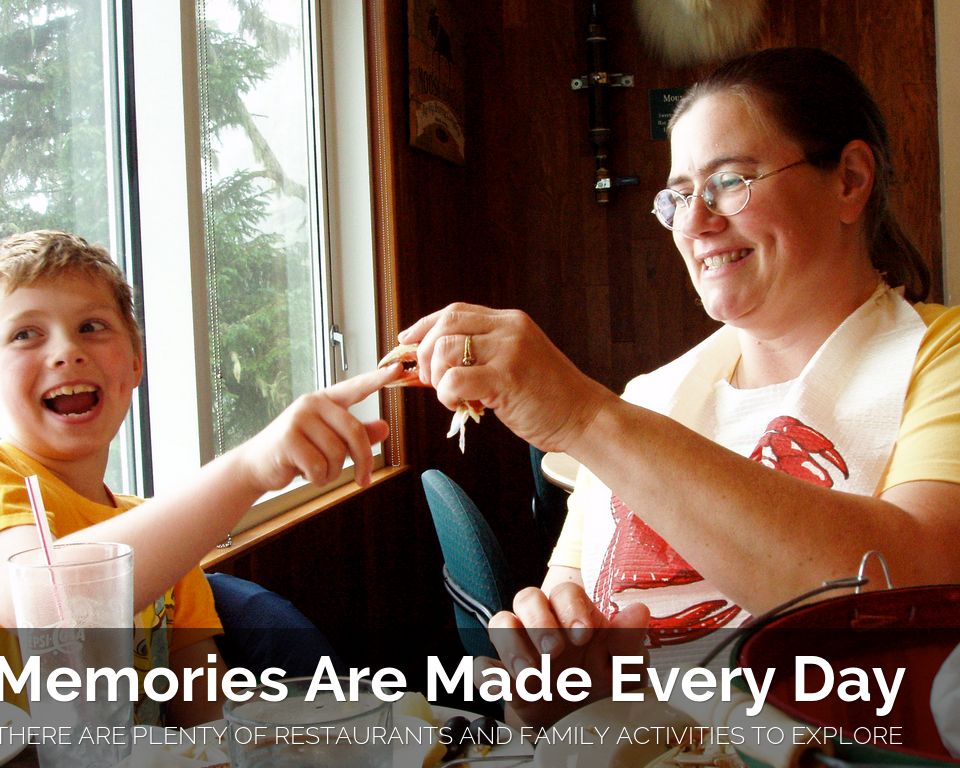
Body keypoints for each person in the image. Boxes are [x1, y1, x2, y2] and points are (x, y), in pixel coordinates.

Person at [396, 47, 960, 725]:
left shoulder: (944, 359)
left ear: (849, 179)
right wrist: (550, 693)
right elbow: (544, 691)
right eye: (679, 195)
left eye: (730, 180)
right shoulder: (646, 399)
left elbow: (914, 602)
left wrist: (586, 417)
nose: (694, 222)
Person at [0, 230, 399, 725]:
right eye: (25, 334)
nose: (67, 351)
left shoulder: (164, 541)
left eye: (92, 326)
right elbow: (48, 609)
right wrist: (251, 467)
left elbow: (211, 722)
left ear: (135, 363)